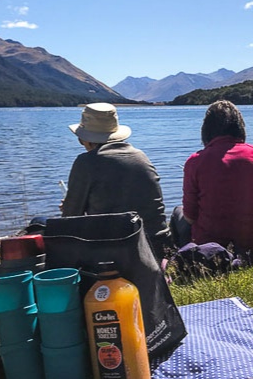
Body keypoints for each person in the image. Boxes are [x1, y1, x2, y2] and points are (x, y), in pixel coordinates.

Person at [174, 100, 253, 265]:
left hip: (210, 249)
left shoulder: (196, 161)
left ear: (206, 130)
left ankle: (184, 256)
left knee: (177, 213)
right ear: (240, 127)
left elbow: (189, 216)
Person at [61, 102, 171, 261]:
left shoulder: (86, 162)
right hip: (157, 245)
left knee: (40, 223)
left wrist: (68, 206)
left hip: (114, 251)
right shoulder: (141, 156)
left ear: (87, 139)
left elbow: (70, 219)